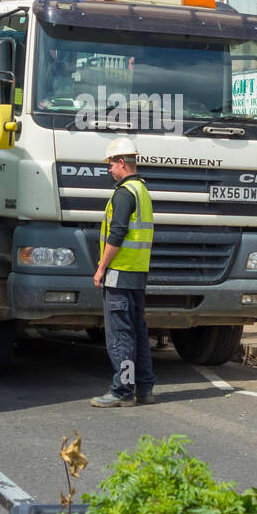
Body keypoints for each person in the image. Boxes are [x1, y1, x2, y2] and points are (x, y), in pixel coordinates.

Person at [91, 137, 156, 408]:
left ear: (121, 163)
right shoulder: (142, 191)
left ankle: (122, 391)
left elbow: (117, 234)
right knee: (138, 332)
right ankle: (144, 388)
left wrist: (101, 267)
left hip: (119, 272)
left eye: (111, 165)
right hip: (138, 272)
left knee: (120, 336)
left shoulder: (123, 193)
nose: (109, 170)